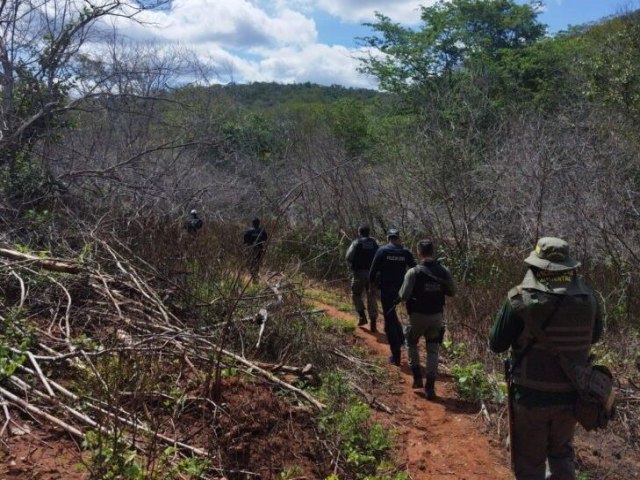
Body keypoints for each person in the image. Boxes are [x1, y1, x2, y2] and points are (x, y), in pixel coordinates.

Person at [489, 237, 603, 480]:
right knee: (561, 454)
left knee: (530, 461)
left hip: (530, 396)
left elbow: (496, 343)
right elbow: (594, 337)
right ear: (569, 267)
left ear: (536, 266)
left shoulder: (520, 299)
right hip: (572, 396)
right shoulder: (589, 300)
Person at [398, 239, 455, 399]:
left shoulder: (413, 272)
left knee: (411, 342)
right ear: (433, 252)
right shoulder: (443, 271)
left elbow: (403, 295)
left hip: (416, 316)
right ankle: (430, 386)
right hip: (436, 316)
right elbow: (452, 292)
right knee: (433, 350)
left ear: (419, 252)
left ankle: (417, 377)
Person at [369, 228, 416, 365]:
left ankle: (396, 355)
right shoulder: (405, 252)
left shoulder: (382, 251)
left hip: (387, 290)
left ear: (388, 238)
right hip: (402, 291)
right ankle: (401, 338)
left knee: (389, 319)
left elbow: (372, 272)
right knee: (393, 315)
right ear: (398, 238)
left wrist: (371, 287)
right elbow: (414, 268)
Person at [345, 225, 379, 331]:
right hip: (373, 275)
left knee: (356, 294)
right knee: (372, 296)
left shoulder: (356, 243)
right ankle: (373, 322)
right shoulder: (375, 244)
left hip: (359, 273)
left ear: (359, 232)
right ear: (369, 232)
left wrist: (354, 264)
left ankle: (362, 316)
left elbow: (348, 256)